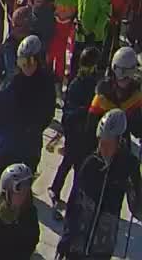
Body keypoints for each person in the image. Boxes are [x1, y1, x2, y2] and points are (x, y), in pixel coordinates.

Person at [58, 108, 142, 259]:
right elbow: (75, 200)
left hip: (102, 245)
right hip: (78, 241)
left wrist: (134, 177)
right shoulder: (91, 163)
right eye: (101, 143)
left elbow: (137, 206)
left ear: (120, 141)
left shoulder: (127, 167)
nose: (103, 149)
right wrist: (66, 236)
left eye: (108, 144)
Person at [0, 36, 55, 191]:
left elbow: (47, 113)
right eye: (22, 62)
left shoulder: (45, 84)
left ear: (38, 60)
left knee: (21, 182)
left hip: (28, 143)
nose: (26, 67)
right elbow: (0, 99)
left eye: (29, 62)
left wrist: (33, 127)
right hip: (8, 139)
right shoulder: (15, 80)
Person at [53, 44, 106, 208]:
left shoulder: (96, 85)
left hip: (87, 134)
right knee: (70, 163)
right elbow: (70, 111)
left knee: (78, 168)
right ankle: (56, 189)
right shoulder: (77, 84)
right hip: (77, 132)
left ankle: (72, 198)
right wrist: (86, 111)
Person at [89, 47, 142, 143]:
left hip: (123, 147)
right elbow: (90, 128)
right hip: (102, 145)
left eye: (128, 73)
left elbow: (137, 128)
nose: (124, 78)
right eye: (121, 72)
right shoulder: (103, 96)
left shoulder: (135, 96)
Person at [0, 163, 38, 260]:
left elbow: (33, 240)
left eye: (26, 189)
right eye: (19, 190)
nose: (24, 194)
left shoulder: (30, 213)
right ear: (6, 192)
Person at [73, 0, 112, 77]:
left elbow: (106, 11)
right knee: (76, 65)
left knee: (92, 67)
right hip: (81, 35)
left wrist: (96, 30)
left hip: (94, 37)